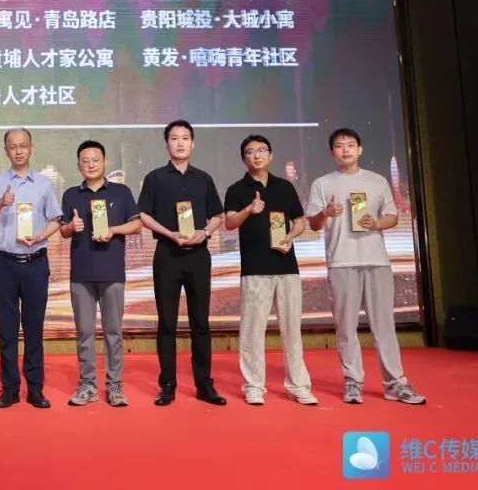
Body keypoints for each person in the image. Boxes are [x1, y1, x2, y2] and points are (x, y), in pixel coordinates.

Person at [306, 127, 425, 405]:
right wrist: (326, 213)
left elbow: (392, 216)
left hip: (376, 261)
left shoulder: (377, 181)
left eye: (350, 145)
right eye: (339, 145)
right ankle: (352, 382)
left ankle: (395, 383)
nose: (345, 149)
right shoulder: (322, 184)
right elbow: (313, 224)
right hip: (341, 262)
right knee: (346, 328)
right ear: (332, 152)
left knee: (384, 326)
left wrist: (376, 223)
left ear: (359, 149)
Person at [137, 120, 227, 406]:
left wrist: (206, 232)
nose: (180, 143)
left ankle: (204, 385)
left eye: (185, 138)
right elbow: (144, 215)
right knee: (167, 322)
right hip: (167, 254)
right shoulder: (155, 178)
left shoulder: (203, 179)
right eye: (174, 138)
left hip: (198, 255)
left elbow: (218, 215)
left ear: (192, 143)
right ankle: (168, 384)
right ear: (167, 144)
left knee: (201, 322)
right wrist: (169, 233)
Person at [223, 135, 317, 406]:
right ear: (244, 158)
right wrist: (249, 209)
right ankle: (254, 385)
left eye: (261, 150)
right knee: (253, 330)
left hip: (287, 267)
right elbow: (229, 223)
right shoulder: (236, 189)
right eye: (250, 152)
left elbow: (299, 221)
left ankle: (298, 385)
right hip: (255, 268)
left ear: (271, 155)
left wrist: (291, 236)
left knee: (292, 330)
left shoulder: (284, 187)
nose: (256, 155)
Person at [0, 128, 62, 409]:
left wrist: (40, 237)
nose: (18, 151)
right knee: (7, 329)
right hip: (4, 263)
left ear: (31, 148)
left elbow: (56, 220)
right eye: (12, 146)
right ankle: (10, 388)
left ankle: (35, 388)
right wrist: (0, 204)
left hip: (35, 262)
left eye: (23, 145)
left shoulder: (44, 184)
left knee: (34, 328)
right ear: (6, 151)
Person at [59, 140, 141, 408]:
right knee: (84, 332)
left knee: (113, 333)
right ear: (78, 165)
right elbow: (63, 231)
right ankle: (87, 385)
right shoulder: (71, 194)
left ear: (105, 162)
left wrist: (113, 230)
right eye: (85, 160)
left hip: (112, 272)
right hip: (81, 274)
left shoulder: (121, 192)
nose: (91, 164)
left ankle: (114, 386)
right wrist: (71, 226)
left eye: (96, 159)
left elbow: (137, 224)